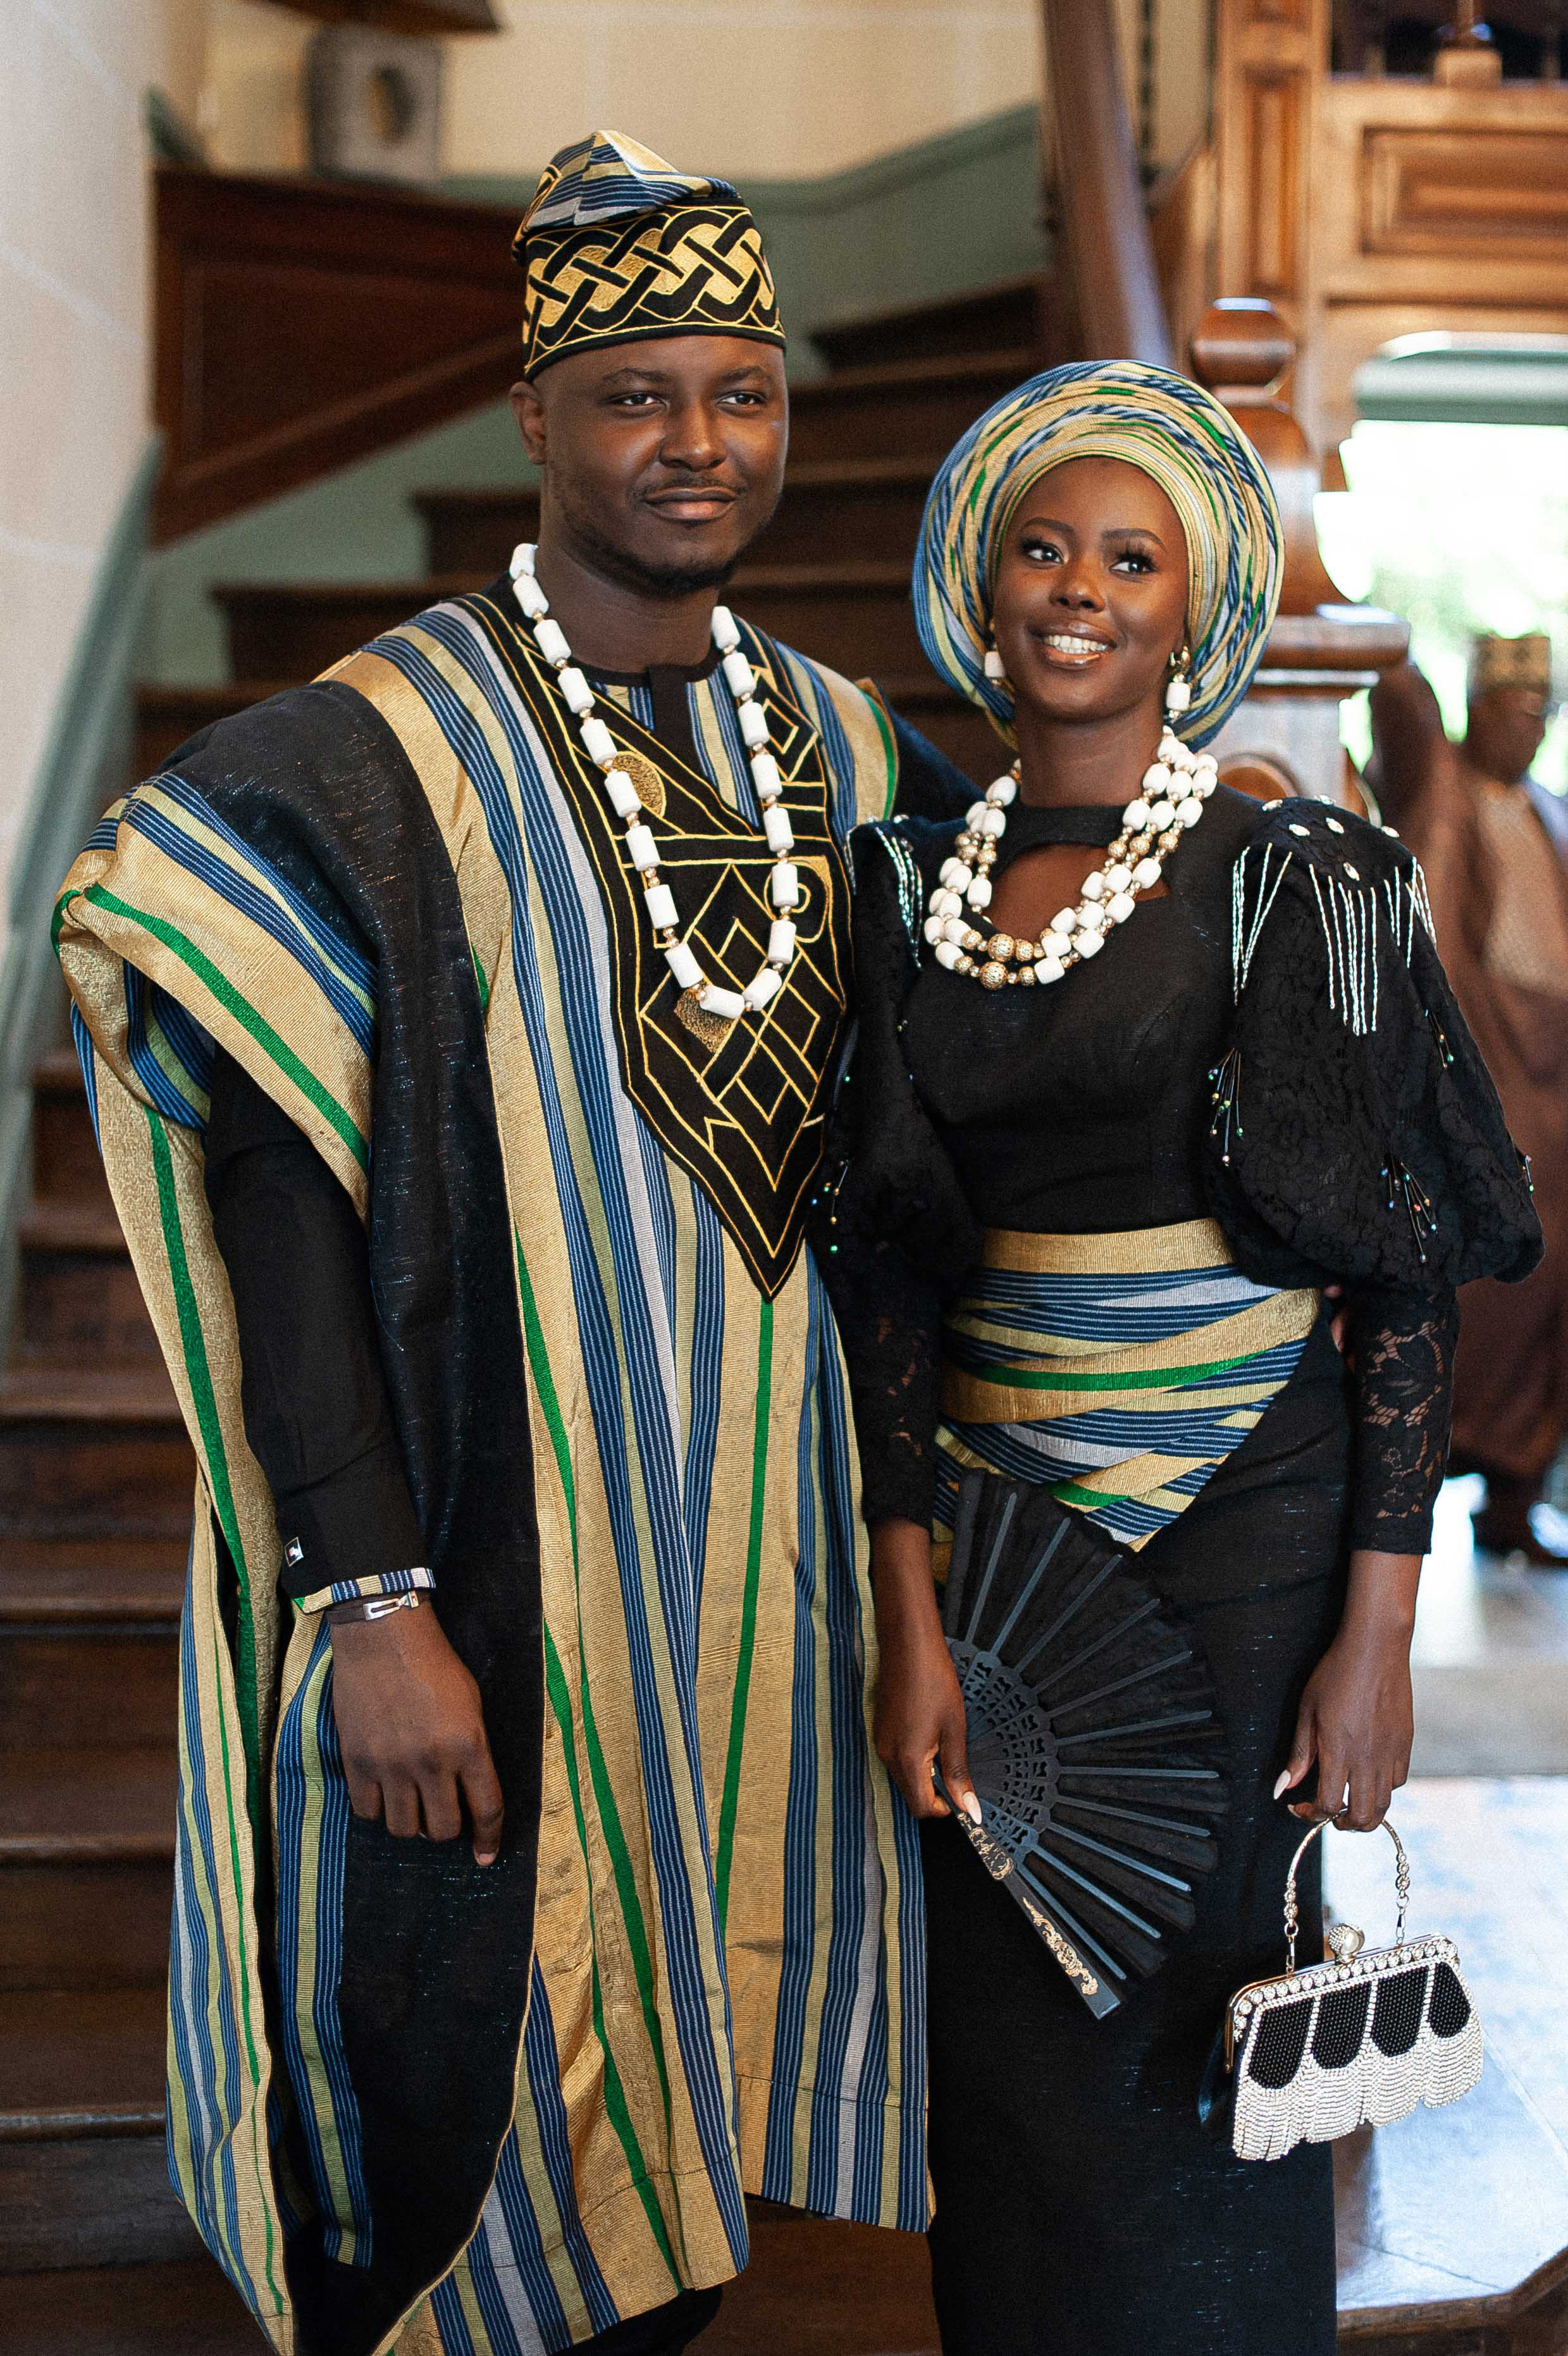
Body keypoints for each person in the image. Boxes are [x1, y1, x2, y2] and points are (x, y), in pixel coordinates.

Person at [54, 130, 972, 2356]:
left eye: (741, 390)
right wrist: (365, 1596)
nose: (701, 443)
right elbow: (280, 1207)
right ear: (536, 416)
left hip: (763, 1577)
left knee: (697, 2108)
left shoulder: (846, 751)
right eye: (640, 394)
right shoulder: (370, 759)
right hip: (483, 1556)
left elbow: (940, 1185)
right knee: (453, 2087)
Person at [817, 361, 1540, 2356]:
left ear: (1197, 604)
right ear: (980, 580)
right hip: (1000, 1538)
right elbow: (882, 1274)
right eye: (1042, 545)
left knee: (1207, 2059)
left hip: (1251, 1523)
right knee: (1012, 2056)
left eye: (1131, 556)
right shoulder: (896, 893)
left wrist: (1379, 1631)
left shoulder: (1296, 872)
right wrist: (908, 1607)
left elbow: (1401, 1278)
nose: (1079, 587)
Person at [1371, 636, 1568, 1563]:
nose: (1527, 726)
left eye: (1543, 711)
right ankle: (1409, 1491)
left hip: (1556, 1090)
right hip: (1478, 1078)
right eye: (1511, 706)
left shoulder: (1554, 815)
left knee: (1549, 1299)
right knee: (1471, 1286)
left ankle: (1515, 1495)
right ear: (1476, 706)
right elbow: (1398, 699)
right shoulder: (1437, 790)